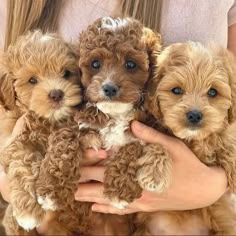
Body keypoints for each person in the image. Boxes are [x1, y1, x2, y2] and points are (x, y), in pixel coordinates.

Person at [0, 0, 235, 232]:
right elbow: (6, 112)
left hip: (183, 219)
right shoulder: (15, 5)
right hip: (56, 214)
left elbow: (230, 105)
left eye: (131, 65)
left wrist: (213, 185)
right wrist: (14, 181)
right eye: (93, 64)